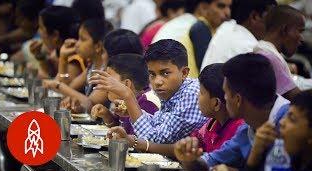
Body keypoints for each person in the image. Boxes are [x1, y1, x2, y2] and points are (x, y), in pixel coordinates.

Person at [174, 53, 290, 171]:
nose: (224, 98)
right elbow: (210, 162)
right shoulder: (247, 129)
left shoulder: (289, 122)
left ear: (238, 100)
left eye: (225, 93)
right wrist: (189, 159)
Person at [105, 63, 244, 157]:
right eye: (152, 74)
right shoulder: (211, 124)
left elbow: (209, 162)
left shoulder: (237, 130)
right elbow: (177, 148)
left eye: (201, 93)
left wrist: (128, 96)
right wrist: (133, 141)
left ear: (216, 104)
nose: (197, 97)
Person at [90, 39, 207, 144]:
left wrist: (128, 96)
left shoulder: (191, 94)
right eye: (152, 74)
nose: (157, 81)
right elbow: (158, 125)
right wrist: (131, 110)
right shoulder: (173, 92)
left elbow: (154, 140)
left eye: (165, 73)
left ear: (184, 73)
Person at [60, 29, 144, 113]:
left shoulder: (116, 78)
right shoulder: (94, 67)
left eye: (103, 52)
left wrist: (56, 85)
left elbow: (90, 104)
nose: (102, 56)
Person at [244, 90, 312, 171]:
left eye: (292, 119)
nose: (281, 122)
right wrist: (255, 154)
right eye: (286, 116)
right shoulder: (291, 160)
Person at [91, 54, 160, 134]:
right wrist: (107, 115)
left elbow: (140, 140)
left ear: (127, 84)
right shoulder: (124, 102)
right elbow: (121, 128)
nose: (105, 83)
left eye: (109, 78)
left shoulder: (147, 104)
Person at [200, 0, 277, 70]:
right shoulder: (250, 47)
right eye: (270, 20)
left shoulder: (226, 27)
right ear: (254, 16)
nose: (273, 27)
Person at [43, 18, 109, 98]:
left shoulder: (107, 72)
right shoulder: (92, 67)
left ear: (98, 46)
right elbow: (66, 90)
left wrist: (58, 85)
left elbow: (89, 103)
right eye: (78, 38)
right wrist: (63, 58)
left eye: (82, 39)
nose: (77, 44)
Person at [254, 5, 305, 100]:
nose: (301, 38)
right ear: (285, 30)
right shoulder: (269, 58)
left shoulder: (264, 50)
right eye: (300, 31)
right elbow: (297, 98)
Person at [181, 0, 231, 78]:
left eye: (229, 7)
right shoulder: (200, 28)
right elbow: (209, 72)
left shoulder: (213, 30)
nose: (227, 12)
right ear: (204, 7)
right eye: (221, 6)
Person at [29, 6, 81, 79]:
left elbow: (61, 86)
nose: (38, 31)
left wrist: (44, 78)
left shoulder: (74, 61)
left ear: (55, 35)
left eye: (41, 28)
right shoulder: (56, 52)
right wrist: (39, 55)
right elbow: (50, 72)